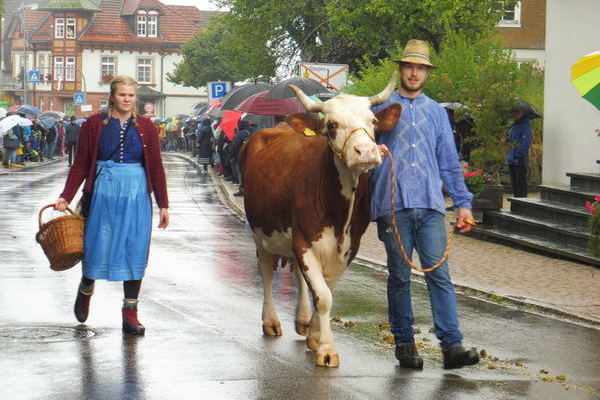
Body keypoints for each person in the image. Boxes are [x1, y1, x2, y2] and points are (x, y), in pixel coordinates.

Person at [370, 39, 480, 370]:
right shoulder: (382, 109)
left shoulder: (436, 112)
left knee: (440, 276)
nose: (414, 72)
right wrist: (376, 148)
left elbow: (449, 160)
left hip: (431, 205)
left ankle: (452, 348)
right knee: (400, 277)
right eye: (409, 66)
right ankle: (405, 345)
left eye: (420, 68)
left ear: (427, 73)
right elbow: (360, 147)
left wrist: (463, 203)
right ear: (401, 69)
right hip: (394, 204)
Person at [54, 75, 169, 335]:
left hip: (136, 193)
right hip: (103, 193)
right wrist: (66, 196)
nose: (127, 99)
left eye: (131, 95)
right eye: (122, 95)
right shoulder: (94, 124)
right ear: (112, 96)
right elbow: (81, 163)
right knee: (96, 245)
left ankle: (130, 313)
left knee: (134, 247)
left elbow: (156, 168)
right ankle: (86, 289)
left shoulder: (147, 127)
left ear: (135, 98)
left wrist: (163, 204)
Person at [506, 107, 532, 198]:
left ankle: (522, 205)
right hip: (512, 158)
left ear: (523, 112)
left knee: (520, 183)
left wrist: (516, 154)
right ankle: (516, 205)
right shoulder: (514, 126)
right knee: (514, 184)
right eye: (513, 111)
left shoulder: (525, 126)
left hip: (519, 159)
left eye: (517, 111)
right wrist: (506, 139)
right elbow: (512, 140)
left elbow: (526, 143)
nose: (515, 113)